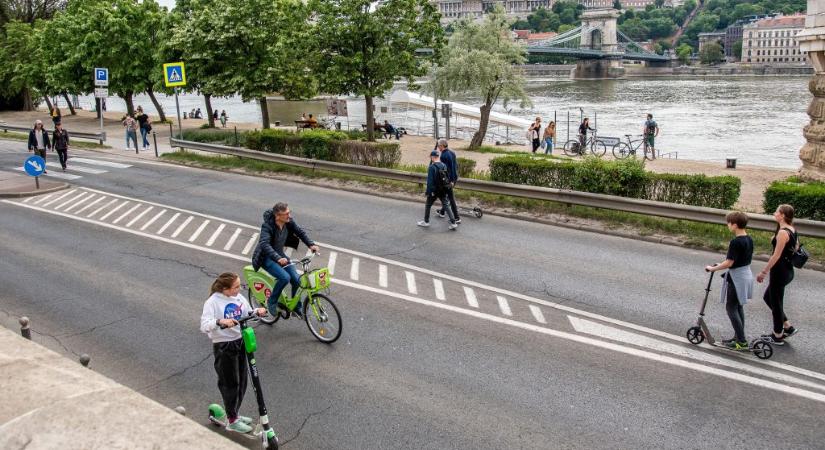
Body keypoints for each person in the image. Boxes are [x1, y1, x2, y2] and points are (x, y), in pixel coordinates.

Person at [200, 272, 268, 434]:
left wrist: (257, 311)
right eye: (236, 286)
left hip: (240, 342)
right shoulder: (213, 302)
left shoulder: (238, 298)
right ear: (225, 289)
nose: (240, 288)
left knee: (243, 381)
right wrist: (220, 321)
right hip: (224, 346)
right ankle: (232, 420)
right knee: (230, 383)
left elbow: (247, 313)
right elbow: (204, 325)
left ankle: (234, 414)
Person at [251, 203, 319, 318]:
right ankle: (271, 301)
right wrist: (278, 258)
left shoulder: (289, 222)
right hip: (266, 257)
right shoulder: (267, 226)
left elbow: (300, 232)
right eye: (286, 214)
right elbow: (264, 244)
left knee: (297, 280)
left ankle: (296, 306)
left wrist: (311, 244)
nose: (289, 215)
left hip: (279, 254)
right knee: (284, 277)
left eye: (289, 212)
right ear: (278, 216)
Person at [705, 211, 754, 351]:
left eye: (729, 223)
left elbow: (729, 263)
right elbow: (737, 260)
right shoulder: (749, 239)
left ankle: (742, 341)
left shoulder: (735, 242)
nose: (728, 225)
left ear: (735, 225)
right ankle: (738, 338)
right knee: (738, 307)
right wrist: (720, 264)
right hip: (745, 275)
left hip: (737, 278)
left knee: (731, 307)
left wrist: (712, 268)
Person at [756, 204, 800, 346]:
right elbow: (796, 246)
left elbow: (776, 256)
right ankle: (787, 327)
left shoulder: (782, 233)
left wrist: (764, 271)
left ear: (782, 215)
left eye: (776, 211)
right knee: (768, 297)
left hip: (779, 271)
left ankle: (777, 335)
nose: (774, 213)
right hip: (787, 270)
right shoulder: (791, 229)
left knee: (776, 302)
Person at [418, 150, 457, 230]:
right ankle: (453, 222)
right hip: (443, 189)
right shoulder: (443, 165)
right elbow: (447, 177)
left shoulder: (432, 167)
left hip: (434, 190)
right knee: (446, 205)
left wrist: (429, 192)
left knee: (428, 205)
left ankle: (426, 222)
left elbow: (430, 181)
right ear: (438, 157)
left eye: (431, 157)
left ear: (432, 157)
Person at [435, 139, 460, 223]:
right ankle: (442, 212)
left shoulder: (444, 156)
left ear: (442, 146)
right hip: (454, 177)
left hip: (448, 180)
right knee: (445, 197)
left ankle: (457, 217)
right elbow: (455, 166)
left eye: (438, 145)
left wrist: (451, 181)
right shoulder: (452, 152)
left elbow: (446, 170)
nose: (438, 147)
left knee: (450, 198)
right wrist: (454, 178)